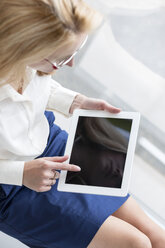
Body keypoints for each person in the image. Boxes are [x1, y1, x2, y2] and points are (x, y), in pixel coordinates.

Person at [0, 0, 164, 247]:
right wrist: (21, 173)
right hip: (14, 186)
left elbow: (36, 85)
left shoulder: (22, 55)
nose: (72, 64)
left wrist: (75, 101)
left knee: (155, 235)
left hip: (53, 147)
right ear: (24, 48)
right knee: (135, 243)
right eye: (61, 59)